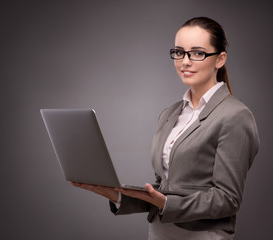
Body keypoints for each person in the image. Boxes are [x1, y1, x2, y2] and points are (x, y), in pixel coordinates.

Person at [72, 16, 260, 240]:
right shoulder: (169, 114)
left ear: (220, 59)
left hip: (203, 235)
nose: (185, 61)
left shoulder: (235, 116)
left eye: (197, 53)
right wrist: (116, 195)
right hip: (160, 231)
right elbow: (164, 187)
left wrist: (166, 203)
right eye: (179, 52)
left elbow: (227, 199)